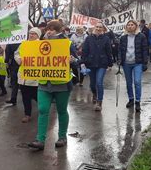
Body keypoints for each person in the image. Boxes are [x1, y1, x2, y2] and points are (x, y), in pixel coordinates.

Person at [28, 21, 73, 150]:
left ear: (59, 31)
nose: (49, 31)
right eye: (48, 29)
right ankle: (40, 140)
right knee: (42, 109)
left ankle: (62, 137)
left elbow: (77, 60)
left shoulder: (67, 43)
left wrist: (72, 60)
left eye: (53, 29)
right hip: (44, 82)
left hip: (61, 84)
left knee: (62, 110)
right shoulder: (40, 44)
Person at [82, 22, 113, 111]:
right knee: (92, 84)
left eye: (100, 27)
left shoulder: (106, 38)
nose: (98, 29)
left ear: (103, 29)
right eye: (97, 27)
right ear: (94, 28)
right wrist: (84, 61)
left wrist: (110, 64)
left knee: (99, 82)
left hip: (102, 63)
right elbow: (85, 50)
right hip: (91, 63)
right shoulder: (89, 38)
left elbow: (109, 51)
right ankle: (95, 94)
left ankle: (99, 102)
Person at [119, 20, 148, 113]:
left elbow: (144, 50)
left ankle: (138, 101)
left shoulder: (141, 36)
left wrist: (145, 62)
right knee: (128, 82)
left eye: (132, 25)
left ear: (136, 26)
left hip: (137, 62)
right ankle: (131, 99)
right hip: (126, 63)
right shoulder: (123, 38)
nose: (130, 26)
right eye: (128, 25)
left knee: (137, 81)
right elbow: (120, 50)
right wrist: (120, 59)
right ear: (126, 27)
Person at [14, 27, 40, 123]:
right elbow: (16, 53)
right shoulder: (24, 44)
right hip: (24, 75)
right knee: (25, 97)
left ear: (38, 35)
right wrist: (19, 59)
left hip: (35, 76)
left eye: (34, 34)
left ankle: (44, 110)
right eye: (30, 33)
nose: (31, 35)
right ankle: (27, 114)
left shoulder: (41, 45)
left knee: (37, 96)